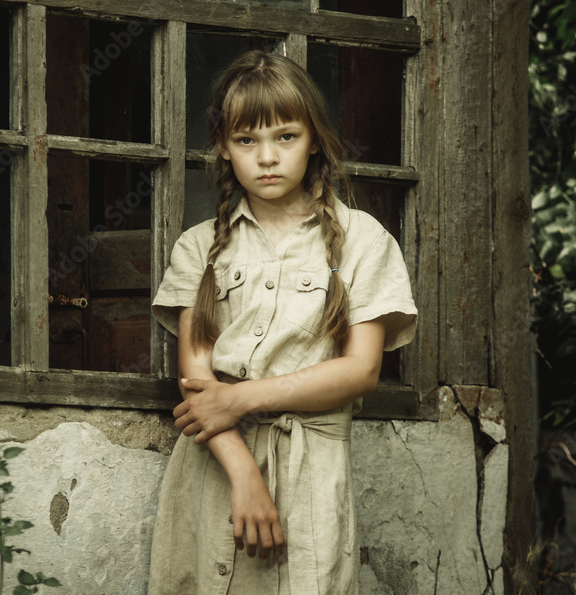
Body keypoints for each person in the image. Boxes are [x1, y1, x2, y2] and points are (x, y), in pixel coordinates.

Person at [147, 49, 417, 595]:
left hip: (311, 472)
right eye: (247, 141)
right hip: (213, 468)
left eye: (286, 137)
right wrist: (244, 475)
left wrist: (240, 397)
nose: (267, 157)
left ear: (314, 138)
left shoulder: (364, 241)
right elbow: (199, 385)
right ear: (224, 147)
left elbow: (361, 372)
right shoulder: (199, 247)